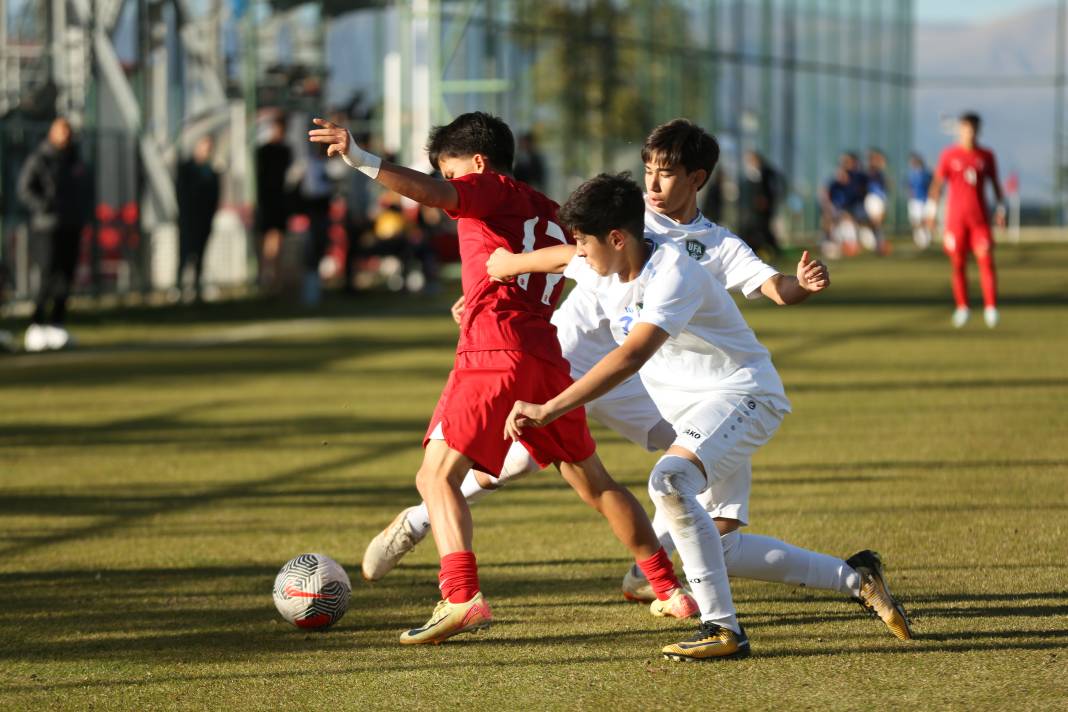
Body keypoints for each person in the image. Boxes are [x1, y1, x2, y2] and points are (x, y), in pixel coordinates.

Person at [309, 111, 694, 645]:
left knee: (435, 477)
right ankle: (669, 589)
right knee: (595, 482)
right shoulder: (549, 211)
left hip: (493, 352)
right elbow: (557, 263)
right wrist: (485, 293)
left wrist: (362, 159)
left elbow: (431, 196)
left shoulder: (489, 189)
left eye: (453, 173)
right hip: (545, 356)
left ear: (480, 164)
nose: (452, 187)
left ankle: (461, 596)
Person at [499, 172, 913, 661]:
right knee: (721, 546)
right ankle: (857, 578)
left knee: (669, 481)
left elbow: (630, 357)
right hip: (699, 418)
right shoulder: (599, 263)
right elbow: (558, 259)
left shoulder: (673, 274)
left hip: (745, 396)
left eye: (586, 242)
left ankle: (723, 630)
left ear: (616, 238)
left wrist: (550, 408)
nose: (580, 252)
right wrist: (499, 270)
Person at [17, 116, 91, 352]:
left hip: (71, 225)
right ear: (52, 133)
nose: (65, 137)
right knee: (47, 273)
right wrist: (44, 206)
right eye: (61, 132)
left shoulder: (75, 160)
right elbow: (25, 188)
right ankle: (37, 323)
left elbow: (84, 188)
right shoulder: (40, 158)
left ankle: (57, 323)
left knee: (65, 276)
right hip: (47, 226)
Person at [926, 112, 1005, 329]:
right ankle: (963, 307)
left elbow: (996, 185)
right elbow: (937, 185)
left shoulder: (986, 155)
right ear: (960, 130)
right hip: (956, 221)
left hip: (979, 221)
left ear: (978, 130)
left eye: (972, 129)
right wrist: (931, 213)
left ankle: (991, 308)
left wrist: (1000, 209)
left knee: (986, 261)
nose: (968, 133)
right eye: (965, 128)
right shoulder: (949, 155)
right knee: (958, 264)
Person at [175, 135, 220, 302]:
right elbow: (181, 195)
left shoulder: (212, 172)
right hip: (188, 220)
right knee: (184, 254)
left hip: (204, 220)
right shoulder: (186, 168)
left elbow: (214, 197)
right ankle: (179, 288)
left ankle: (197, 288)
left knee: (200, 255)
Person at [256, 114, 293, 291]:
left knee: (277, 241)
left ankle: (274, 281)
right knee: (266, 242)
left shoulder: (285, 151)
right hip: (267, 201)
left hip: (279, 202)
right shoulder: (263, 151)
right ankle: (265, 279)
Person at [737, 150, 781, 259]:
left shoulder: (767, 173)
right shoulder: (751, 174)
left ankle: (774, 252)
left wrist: (767, 200)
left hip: (764, 210)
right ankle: (754, 251)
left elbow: (771, 189)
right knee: (753, 230)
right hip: (753, 209)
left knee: (764, 229)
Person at [906, 153, 933, 249]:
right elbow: (908, 185)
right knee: (915, 221)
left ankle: (925, 239)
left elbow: (933, 184)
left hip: (923, 200)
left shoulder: (926, 173)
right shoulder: (911, 173)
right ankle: (920, 239)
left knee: (923, 220)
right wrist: (910, 194)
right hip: (914, 200)